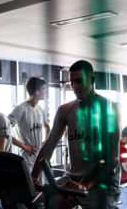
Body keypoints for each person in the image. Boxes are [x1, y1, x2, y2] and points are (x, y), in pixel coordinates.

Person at [31, 60, 121, 209]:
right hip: (71, 179)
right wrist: (33, 176)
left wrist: (84, 184)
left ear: (92, 80)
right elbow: (49, 146)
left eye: (79, 81)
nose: (75, 87)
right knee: (38, 207)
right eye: (72, 82)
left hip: (101, 181)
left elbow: (110, 157)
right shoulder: (65, 110)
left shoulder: (109, 109)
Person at [8, 77, 50, 172]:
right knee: (27, 186)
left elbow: (46, 126)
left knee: (39, 186)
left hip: (39, 160)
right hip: (24, 160)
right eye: (43, 89)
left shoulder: (41, 110)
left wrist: (45, 142)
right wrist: (23, 146)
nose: (45, 92)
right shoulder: (20, 109)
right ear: (37, 92)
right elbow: (4, 131)